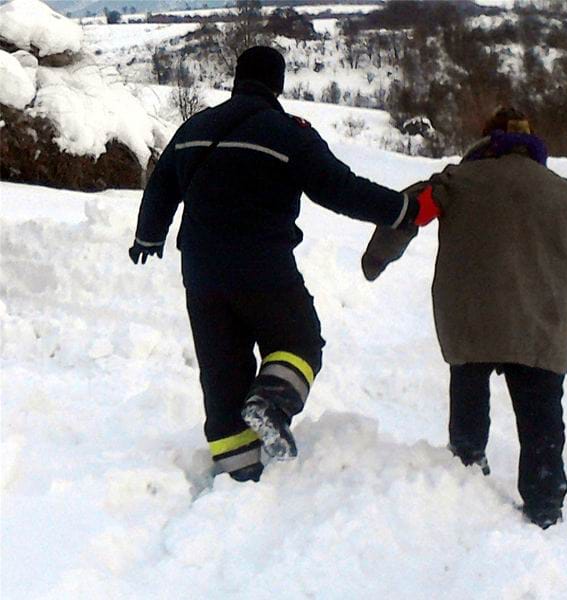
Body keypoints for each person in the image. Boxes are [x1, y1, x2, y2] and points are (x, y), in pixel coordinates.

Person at [128, 46, 439, 483]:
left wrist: (149, 235)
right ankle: (272, 402)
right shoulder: (288, 132)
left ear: (238, 79)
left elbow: (162, 184)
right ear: (278, 83)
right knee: (299, 342)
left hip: (200, 271)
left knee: (222, 369)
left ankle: (238, 473)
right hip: (262, 266)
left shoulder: (195, 126)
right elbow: (339, 188)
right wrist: (400, 209)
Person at [361, 107, 567, 528]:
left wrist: (375, 259)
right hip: (539, 326)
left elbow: (407, 213)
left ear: (486, 141)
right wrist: (557, 303)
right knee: (541, 415)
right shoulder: (566, 194)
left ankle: (467, 468)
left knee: (469, 392)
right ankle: (545, 503)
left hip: (470, 316)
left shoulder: (455, 183)